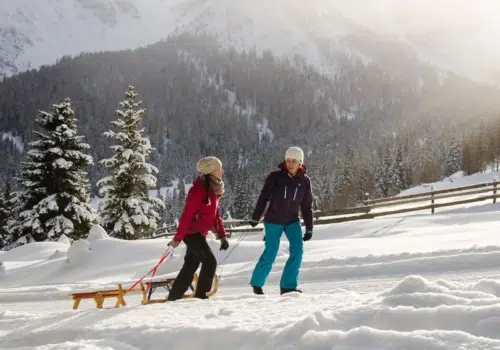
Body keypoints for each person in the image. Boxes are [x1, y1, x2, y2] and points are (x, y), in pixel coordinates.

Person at [249, 146, 313, 295]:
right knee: (271, 251)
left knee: (297, 250)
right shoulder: (275, 177)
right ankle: (257, 283)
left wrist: (309, 228)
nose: (290, 164)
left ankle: (288, 286)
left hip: (292, 221)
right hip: (273, 221)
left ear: (300, 162)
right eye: (288, 160)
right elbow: (263, 197)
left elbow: (306, 206)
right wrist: (255, 217)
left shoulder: (304, 181)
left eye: (294, 161)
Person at [167, 156, 229, 301]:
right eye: (219, 169)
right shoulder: (198, 190)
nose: (222, 171)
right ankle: (201, 295)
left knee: (191, 265)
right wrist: (178, 238)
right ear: (211, 171)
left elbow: (215, 214)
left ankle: (174, 296)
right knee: (210, 261)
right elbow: (186, 215)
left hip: (198, 234)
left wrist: (222, 236)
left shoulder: (213, 189)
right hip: (191, 233)